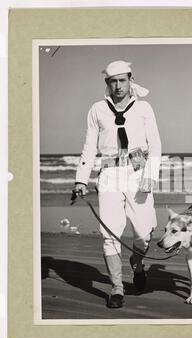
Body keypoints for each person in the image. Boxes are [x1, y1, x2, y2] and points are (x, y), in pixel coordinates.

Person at [72, 60, 162, 308]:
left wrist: (150, 175)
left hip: (138, 173)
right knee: (110, 233)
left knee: (144, 232)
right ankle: (117, 289)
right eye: (113, 81)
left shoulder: (144, 108)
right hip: (109, 175)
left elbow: (155, 144)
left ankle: (138, 262)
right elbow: (89, 147)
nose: (118, 86)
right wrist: (81, 180)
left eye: (122, 80)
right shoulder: (97, 109)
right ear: (107, 84)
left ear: (130, 80)